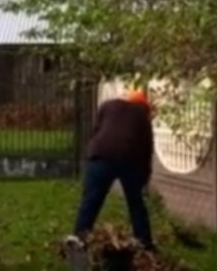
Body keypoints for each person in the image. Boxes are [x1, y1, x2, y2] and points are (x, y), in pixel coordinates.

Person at [64, 88, 157, 260]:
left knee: (91, 200)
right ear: (144, 106)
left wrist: (91, 155)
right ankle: (145, 244)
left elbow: (97, 131)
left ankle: (78, 239)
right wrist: (143, 179)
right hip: (129, 159)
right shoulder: (142, 116)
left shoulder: (107, 106)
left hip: (100, 155)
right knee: (136, 204)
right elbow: (146, 150)